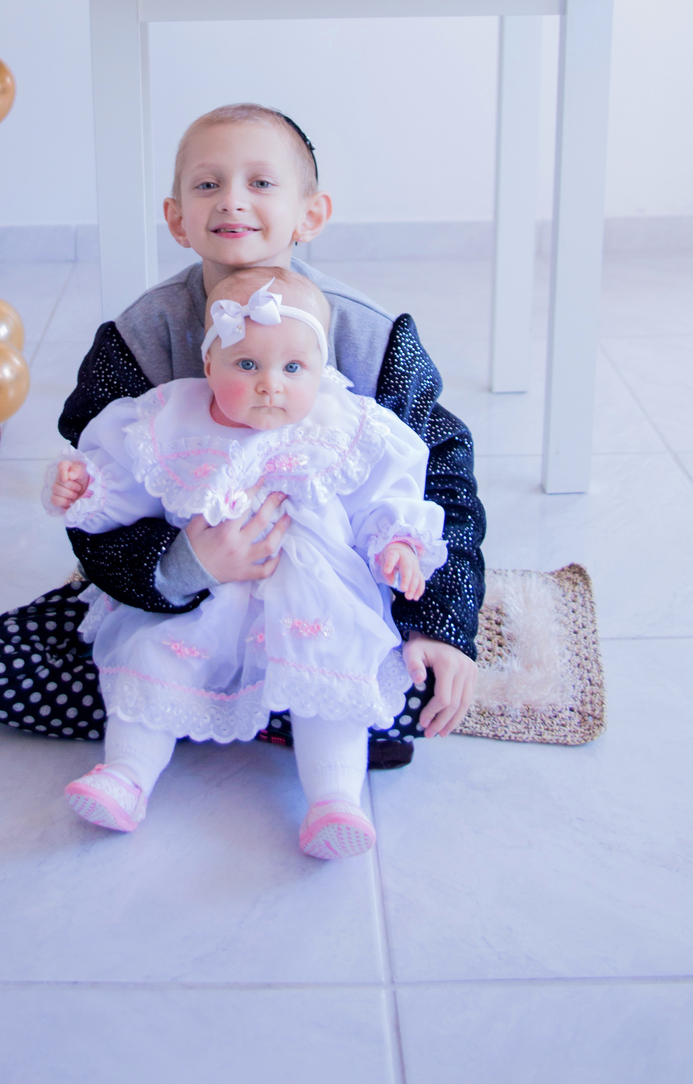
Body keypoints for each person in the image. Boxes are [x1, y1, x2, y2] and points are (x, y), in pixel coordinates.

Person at [0, 103, 485, 771]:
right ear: (176, 218)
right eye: (207, 185)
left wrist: (441, 625)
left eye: (261, 183)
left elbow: (440, 478)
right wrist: (183, 564)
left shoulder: (372, 338)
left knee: (420, 688)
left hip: (323, 601)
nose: (233, 200)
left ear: (311, 213)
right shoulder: (138, 340)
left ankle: (231, 707)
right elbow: (97, 492)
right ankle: (237, 706)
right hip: (182, 604)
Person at [51, 269, 448, 857]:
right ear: (208, 365)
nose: (270, 385)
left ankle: (334, 800)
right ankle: (126, 776)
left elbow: (383, 495)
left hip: (313, 594)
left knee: (335, 665)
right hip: (206, 593)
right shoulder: (171, 419)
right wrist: (87, 487)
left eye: (293, 369)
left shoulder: (344, 423)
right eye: (246, 366)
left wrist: (396, 545)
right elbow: (131, 488)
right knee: (150, 655)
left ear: (322, 370)